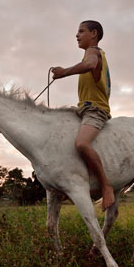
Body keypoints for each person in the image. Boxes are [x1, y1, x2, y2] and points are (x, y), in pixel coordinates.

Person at [52, 20, 114, 211]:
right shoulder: (90, 54)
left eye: (81, 31)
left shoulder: (93, 52)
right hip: (83, 109)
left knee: (81, 144)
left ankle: (105, 186)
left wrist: (63, 73)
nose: (77, 35)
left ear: (93, 34)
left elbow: (90, 64)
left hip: (96, 110)